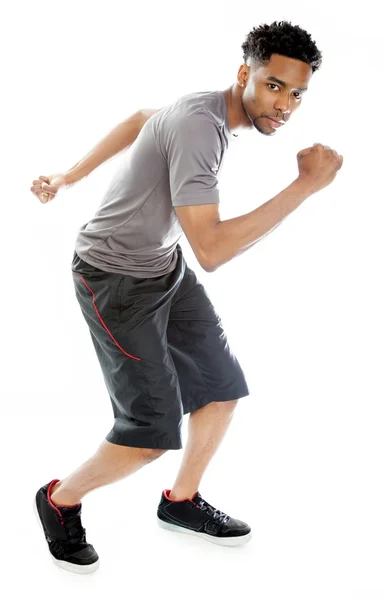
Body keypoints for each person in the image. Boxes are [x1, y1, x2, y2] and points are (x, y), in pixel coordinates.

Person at [30, 20, 343, 574]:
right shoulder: (202, 126)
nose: (286, 104)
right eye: (274, 86)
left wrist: (68, 175)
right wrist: (305, 186)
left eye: (297, 93)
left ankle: (180, 503)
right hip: (113, 279)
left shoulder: (208, 111)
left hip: (162, 267)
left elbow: (139, 120)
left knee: (221, 390)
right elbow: (214, 250)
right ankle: (60, 499)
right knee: (151, 434)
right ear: (245, 74)